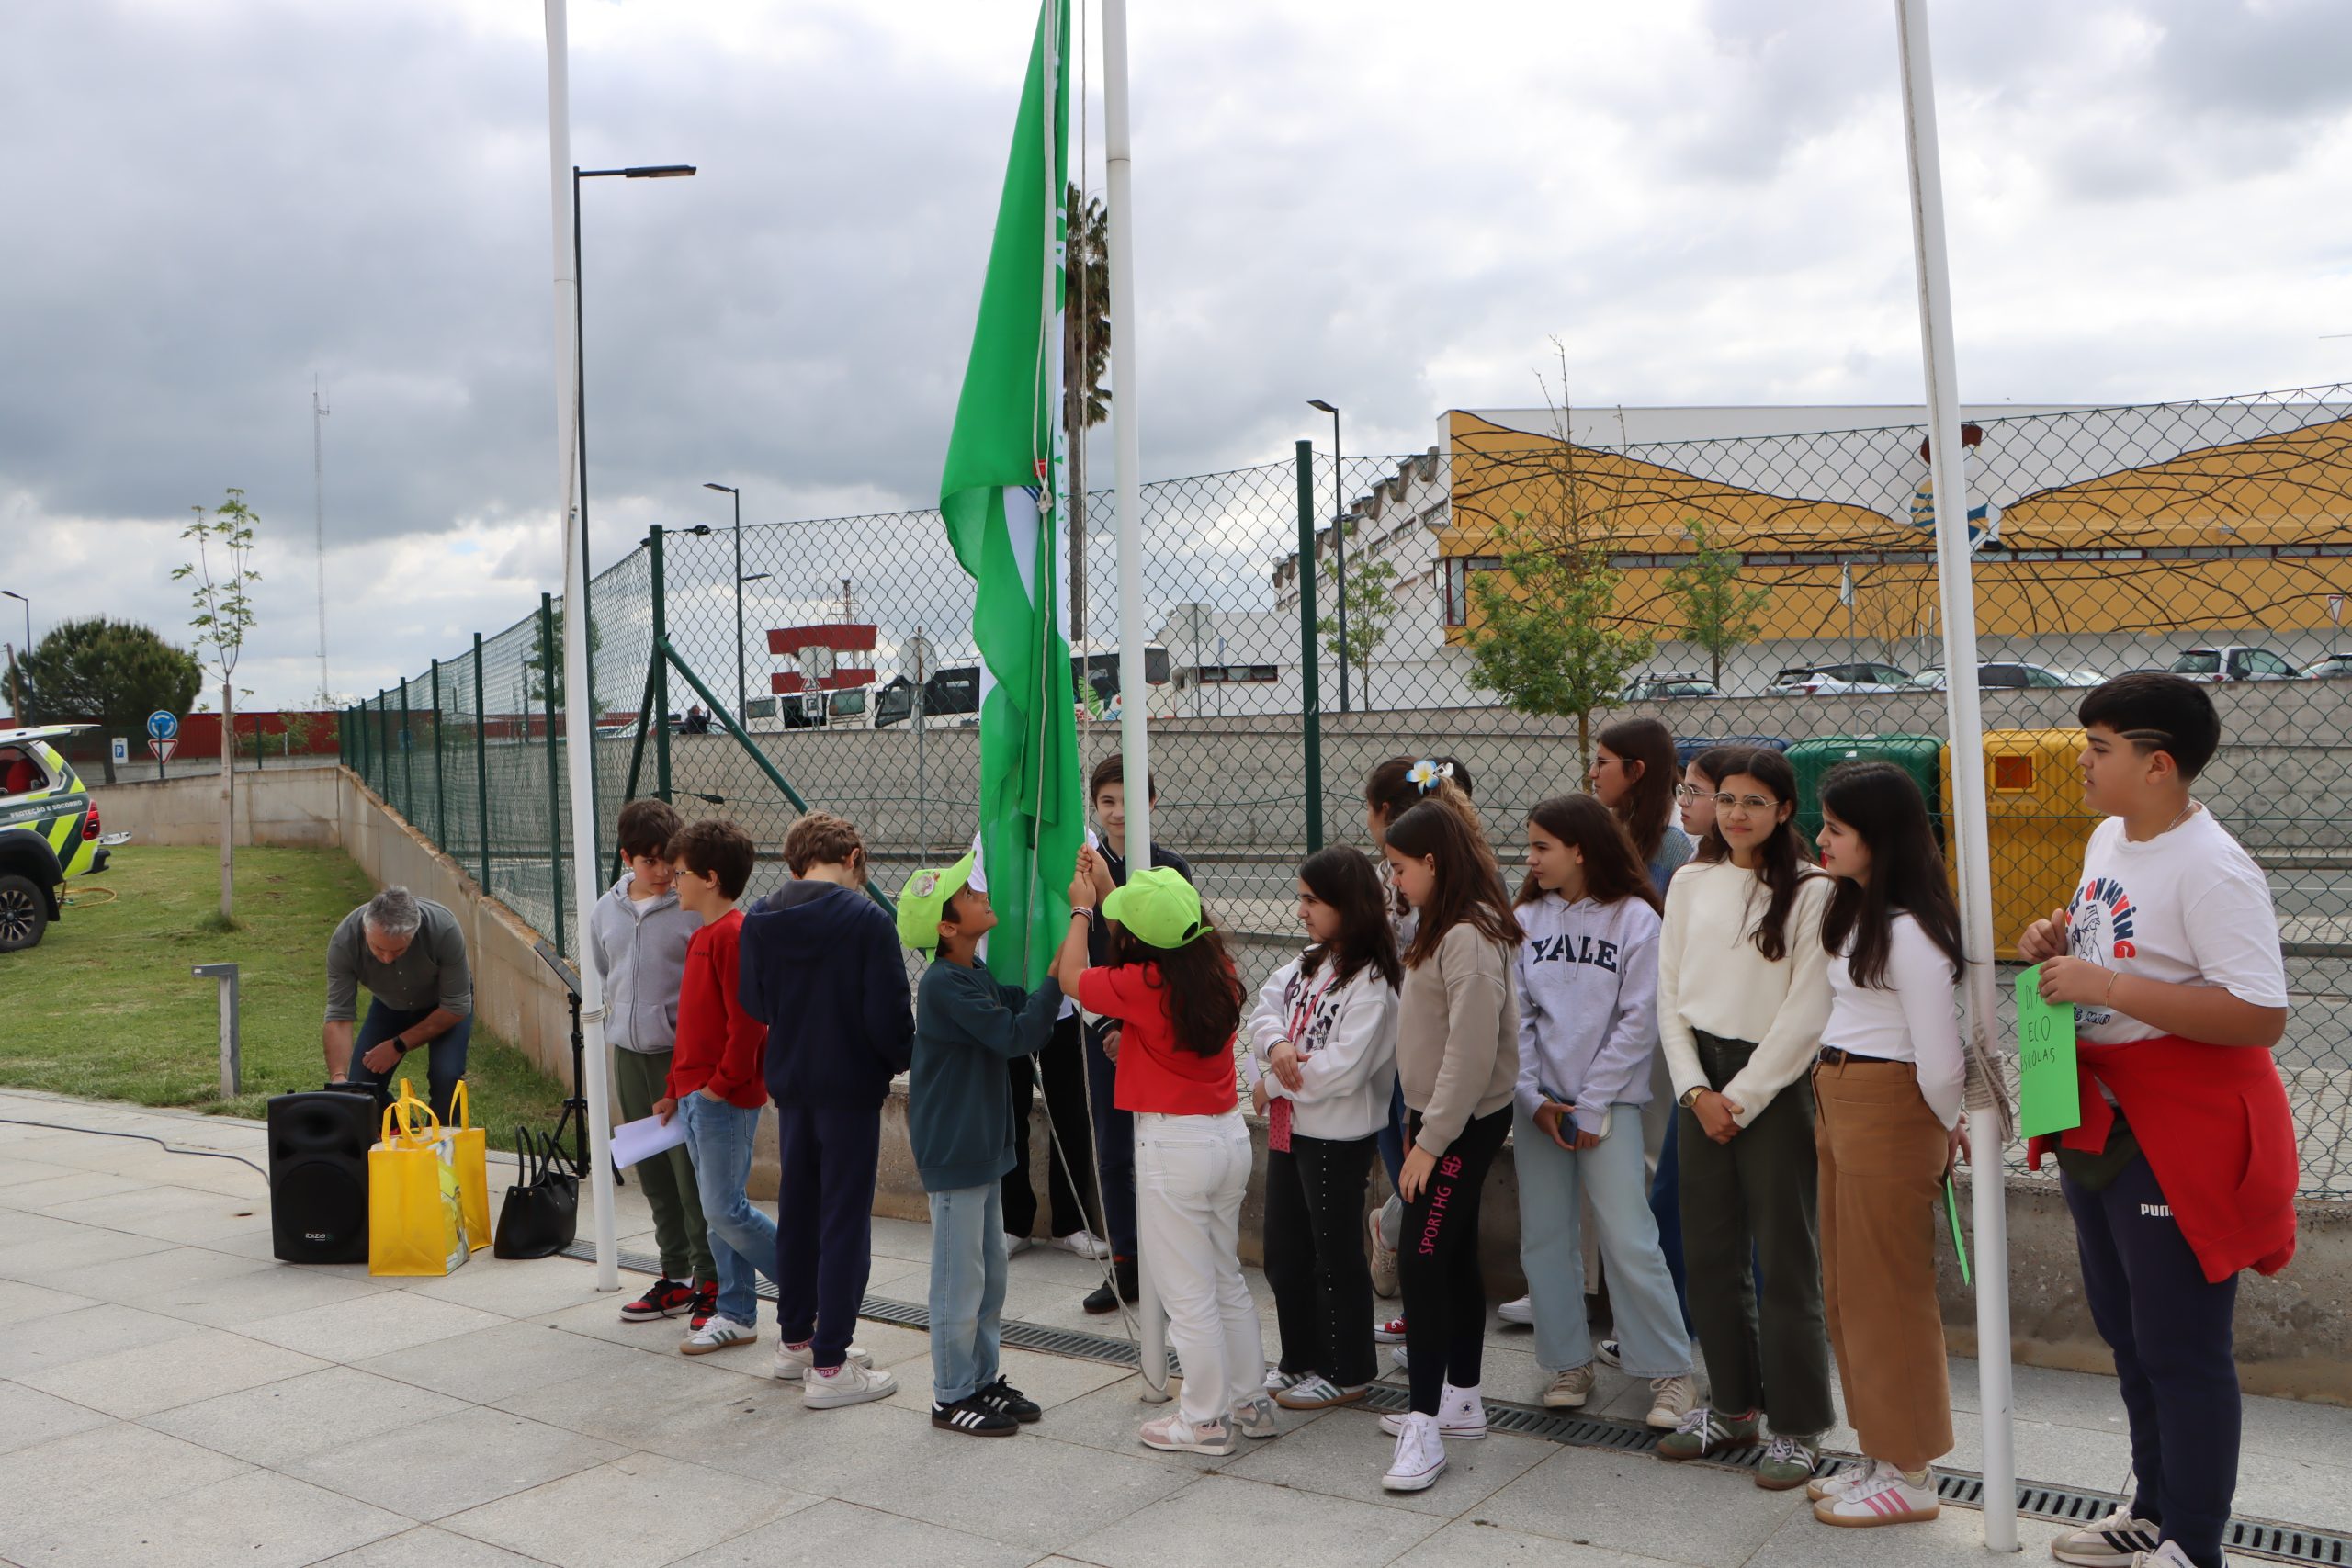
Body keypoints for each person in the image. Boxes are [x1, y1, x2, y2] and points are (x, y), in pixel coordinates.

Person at [2019, 674, 2294, 1568]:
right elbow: (2117, 938)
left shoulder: (2214, 867)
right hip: (2103, 1119)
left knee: (2182, 1347)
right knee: (2127, 1331)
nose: (2081, 763)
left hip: (2181, 1130)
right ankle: (2150, 1506)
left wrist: (2105, 986)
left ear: (2158, 765)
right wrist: (2062, 946)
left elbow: (2259, 1013)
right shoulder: (2108, 836)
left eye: (2098, 749)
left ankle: (2192, 1545)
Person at [1653, 748, 1837, 1489]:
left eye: (1754, 801)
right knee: (1708, 1253)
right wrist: (1698, 1091)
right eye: (1723, 797)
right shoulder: (1691, 881)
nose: (1735, 813)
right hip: (1701, 1083)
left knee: (1785, 1261)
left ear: (1785, 809)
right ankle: (1733, 1407)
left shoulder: (1813, 891)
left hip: (1775, 1084)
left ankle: (1798, 1425)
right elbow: (1669, 996)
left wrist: (1745, 1097)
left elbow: (1808, 1011)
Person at [1054, 855, 1267, 1457]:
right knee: (1225, 1278)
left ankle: (1203, 1419)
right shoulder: (1212, 965)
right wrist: (1114, 891)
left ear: (1139, 936)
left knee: (1187, 1292)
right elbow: (1158, 924)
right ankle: (1250, 1400)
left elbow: (1069, 973)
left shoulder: (1140, 984)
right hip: (1227, 1138)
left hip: (1175, 1146)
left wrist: (1082, 907)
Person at [1805, 761, 1969, 1527]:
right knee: (1846, 1288)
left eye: (1836, 828)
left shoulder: (1911, 930)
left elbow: (1941, 1060)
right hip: (1841, 1095)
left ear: (1881, 836)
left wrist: (1943, 1121)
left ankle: (1910, 1469)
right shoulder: (1859, 912)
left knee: (1889, 1293)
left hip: (1888, 1104)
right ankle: (1880, 1446)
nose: (1821, 839)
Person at [1509, 795, 1697, 1428]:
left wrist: (1591, 1104)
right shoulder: (1526, 917)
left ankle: (1670, 1370)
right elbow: (1519, 1017)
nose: (1529, 859)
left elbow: (1638, 1019)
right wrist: (1533, 1098)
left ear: (1581, 848)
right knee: (1544, 1239)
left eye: (1542, 847)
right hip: (1540, 1106)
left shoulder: (1638, 918)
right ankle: (1568, 1360)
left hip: (1607, 1104)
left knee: (1629, 1236)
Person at [739, 810, 911, 1406]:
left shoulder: (760, 916)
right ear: (855, 855)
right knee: (844, 1219)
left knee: (800, 1208)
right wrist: (893, 1059)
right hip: (851, 1086)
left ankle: (797, 1339)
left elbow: (755, 1001)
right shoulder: (866, 919)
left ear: (794, 860)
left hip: (792, 1083)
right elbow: (889, 1016)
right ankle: (832, 1364)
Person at [1374, 797, 1521, 1494]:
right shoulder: (1445, 924)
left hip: (1456, 1122)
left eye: (1401, 868)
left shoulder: (1467, 934)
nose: (1396, 880)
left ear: (1433, 862)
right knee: (1452, 1253)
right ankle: (1460, 1395)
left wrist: (1431, 1141)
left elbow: (1471, 1046)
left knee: (1422, 1260)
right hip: (1437, 1116)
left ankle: (1424, 1423)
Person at [898, 852, 1057, 1437]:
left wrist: (1057, 963)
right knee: (957, 1281)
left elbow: (1016, 1004)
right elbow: (1014, 1035)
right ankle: (950, 1394)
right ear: (946, 927)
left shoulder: (973, 973)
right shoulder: (943, 984)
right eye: (966, 892)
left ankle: (983, 1378)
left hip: (984, 1148)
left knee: (989, 1275)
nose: (979, 891)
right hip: (956, 1151)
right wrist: (1057, 982)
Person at [1246, 845, 1400, 1413]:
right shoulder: (1310, 960)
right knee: (1284, 1251)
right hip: (1292, 1127)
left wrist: (1274, 1083)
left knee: (1334, 1254)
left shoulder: (1376, 981)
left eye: (1313, 900)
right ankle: (1300, 1358)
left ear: (1348, 903)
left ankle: (1351, 1368)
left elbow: (1345, 1068)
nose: (1301, 911)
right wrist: (1279, 1045)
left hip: (1337, 1136)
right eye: (1301, 898)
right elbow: (1264, 1008)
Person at [1361, 755, 1486, 1345]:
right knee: (1413, 1183)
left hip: (1444, 1074)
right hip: (1399, 1059)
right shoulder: (1394, 880)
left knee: (1427, 1195)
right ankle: (1424, 1315)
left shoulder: (1464, 900)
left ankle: (1430, 1322)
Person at [1069, 754, 1193, 1314]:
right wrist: (1111, 1025)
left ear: (1152, 804)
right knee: (1114, 1153)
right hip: (1102, 1030)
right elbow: (1083, 957)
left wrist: (1134, 1024)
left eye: (1130, 801)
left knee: (1161, 1152)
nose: (1119, 813)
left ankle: (1168, 1264)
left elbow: (1170, 961)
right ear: (1094, 807)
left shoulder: (1171, 871)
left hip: (1157, 1036)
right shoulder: (1082, 868)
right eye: (1108, 802)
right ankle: (1125, 1264)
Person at [590, 799, 716, 1329]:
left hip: (679, 1058)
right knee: (653, 1173)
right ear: (627, 859)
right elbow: (603, 968)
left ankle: (711, 1280)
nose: (663, 873)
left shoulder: (687, 909)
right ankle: (674, 1276)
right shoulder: (605, 910)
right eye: (650, 863)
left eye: (669, 861)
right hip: (629, 1057)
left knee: (692, 1176)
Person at [658, 819, 776, 1356]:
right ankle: (736, 1313)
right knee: (717, 1213)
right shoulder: (705, 935)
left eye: (679, 872)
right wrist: (675, 1088)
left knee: (725, 1210)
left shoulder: (731, 935)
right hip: (697, 1095)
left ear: (709, 877)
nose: (670, 880)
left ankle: (809, 1285)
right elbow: (696, 1026)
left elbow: (749, 1022)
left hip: (720, 1099)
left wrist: (719, 1087)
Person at [322, 886, 472, 1124]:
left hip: (444, 1008)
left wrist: (398, 1045)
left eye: (399, 949)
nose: (387, 958)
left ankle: (443, 1150)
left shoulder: (444, 928)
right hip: (389, 1006)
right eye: (378, 948)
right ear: (365, 928)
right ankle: (406, 1138)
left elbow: (456, 1006)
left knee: (446, 1077)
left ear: (415, 931)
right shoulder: (344, 941)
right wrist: (339, 1078)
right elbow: (339, 1015)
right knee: (362, 1089)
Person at [1591, 717, 1696, 895]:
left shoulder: (1675, 839)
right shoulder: (1621, 821)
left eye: (1602, 763)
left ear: (1636, 770)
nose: (1592, 773)